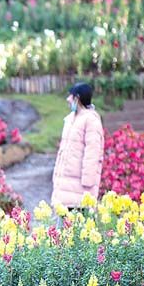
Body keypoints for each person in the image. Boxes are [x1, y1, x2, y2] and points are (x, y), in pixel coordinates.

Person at [51, 82, 104, 211]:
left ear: (77, 98)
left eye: (71, 96)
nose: (68, 99)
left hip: (80, 188)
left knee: (78, 226)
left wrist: (87, 183)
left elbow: (93, 153)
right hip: (65, 186)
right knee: (64, 228)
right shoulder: (70, 119)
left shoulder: (91, 120)